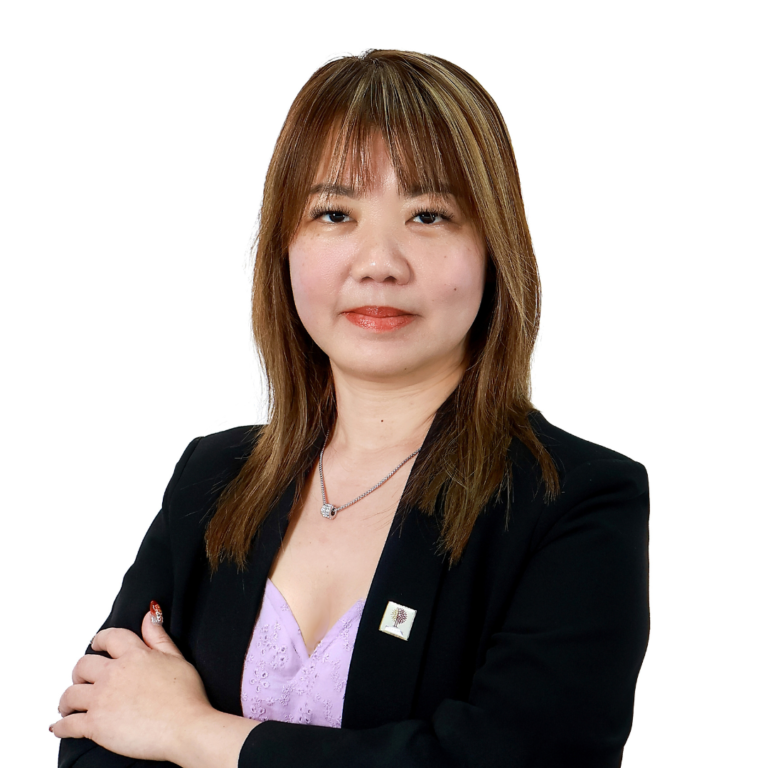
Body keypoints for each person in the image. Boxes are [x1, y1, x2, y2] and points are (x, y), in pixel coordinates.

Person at [53, 49, 650, 768]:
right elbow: (96, 734)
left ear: (494, 247)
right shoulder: (212, 477)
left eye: (429, 215)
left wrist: (191, 732)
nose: (379, 263)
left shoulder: (574, 501)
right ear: (284, 245)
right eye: (334, 213)